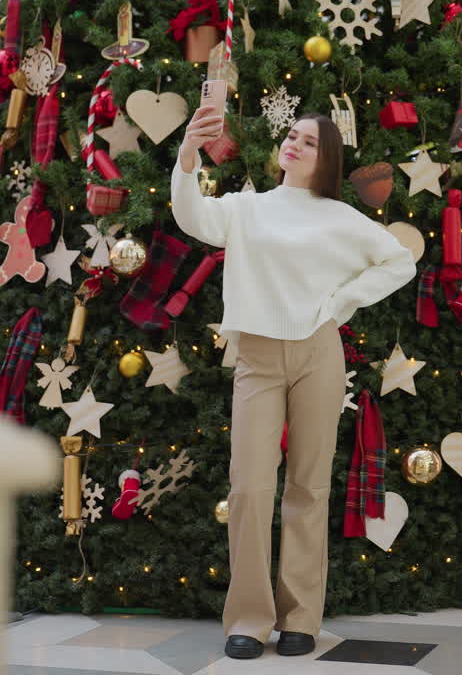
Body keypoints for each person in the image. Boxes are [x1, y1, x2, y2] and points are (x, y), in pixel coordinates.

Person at [172, 106, 416, 659]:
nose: (294, 144)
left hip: (318, 353)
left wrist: (341, 302)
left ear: (325, 156)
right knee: (250, 487)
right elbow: (191, 216)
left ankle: (302, 617)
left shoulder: (340, 217)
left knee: (309, 486)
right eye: (291, 135)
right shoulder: (246, 208)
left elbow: (399, 262)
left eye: (308, 141)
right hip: (257, 355)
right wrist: (187, 155)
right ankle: (250, 620)